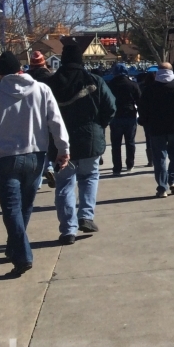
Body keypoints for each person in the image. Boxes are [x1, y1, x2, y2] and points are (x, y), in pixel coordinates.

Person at [0, 51, 69, 276]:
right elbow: (56, 121)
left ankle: (21, 254)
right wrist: (63, 149)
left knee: (11, 208)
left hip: (5, 156)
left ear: (0, 73)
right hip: (36, 154)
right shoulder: (41, 89)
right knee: (25, 205)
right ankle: (14, 247)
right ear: (20, 69)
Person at [46, 44, 116, 240]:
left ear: (62, 59)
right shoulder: (94, 80)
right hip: (89, 139)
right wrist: (99, 125)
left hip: (59, 142)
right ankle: (86, 216)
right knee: (89, 177)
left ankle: (68, 229)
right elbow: (110, 107)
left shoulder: (50, 84)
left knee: (64, 184)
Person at [138, 62, 174, 198]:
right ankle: (173, 180)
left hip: (156, 128)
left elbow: (142, 108)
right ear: (171, 71)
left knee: (159, 157)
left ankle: (162, 187)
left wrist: (144, 121)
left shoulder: (149, 89)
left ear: (157, 72)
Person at [26, 52, 57, 187]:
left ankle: (36, 180)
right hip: (48, 113)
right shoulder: (52, 78)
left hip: (31, 115)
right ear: (44, 63)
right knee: (49, 144)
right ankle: (49, 168)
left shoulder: (26, 79)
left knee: (35, 147)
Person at [106, 63, 141, 176]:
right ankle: (130, 164)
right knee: (130, 142)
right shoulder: (133, 85)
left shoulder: (109, 85)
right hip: (130, 115)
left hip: (115, 116)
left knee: (116, 144)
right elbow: (139, 100)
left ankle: (117, 167)